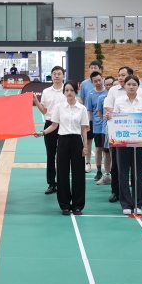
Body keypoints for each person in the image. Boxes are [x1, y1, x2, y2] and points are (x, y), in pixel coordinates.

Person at [35, 80, 89, 215]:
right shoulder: (59, 107)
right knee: (62, 174)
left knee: (78, 174)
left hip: (77, 142)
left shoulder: (82, 108)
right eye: (67, 90)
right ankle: (65, 205)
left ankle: (77, 205)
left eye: (71, 90)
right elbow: (54, 125)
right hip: (63, 141)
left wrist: (85, 147)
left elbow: (83, 129)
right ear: (64, 92)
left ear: (76, 92)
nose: (69, 93)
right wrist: (42, 132)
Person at [104, 75, 142, 216]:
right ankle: (126, 203)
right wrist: (110, 118)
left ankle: (138, 203)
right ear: (124, 86)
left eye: (134, 84)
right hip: (122, 142)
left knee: (138, 173)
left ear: (138, 87)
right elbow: (114, 119)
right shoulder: (119, 101)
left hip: (140, 142)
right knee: (123, 173)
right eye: (129, 84)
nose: (131, 86)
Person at [34, 65, 67, 195]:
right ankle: (51, 183)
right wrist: (36, 102)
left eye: (59, 74)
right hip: (50, 125)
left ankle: (62, 183)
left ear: (63, 76)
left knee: (63, 155)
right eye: (54, 74)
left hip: (64, 125)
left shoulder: (67, 90)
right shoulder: (46, 91)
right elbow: (44, 111)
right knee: (50, 155)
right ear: (51, 76)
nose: (56, 76)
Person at [84, 72, 109, 184]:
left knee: (107, 151)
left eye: (99, 80)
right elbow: (89, 110)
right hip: (97, 126)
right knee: (98, 149)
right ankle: (99, 171)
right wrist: (87, 123)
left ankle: (108, 172)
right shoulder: (90, 94)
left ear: (102, 79)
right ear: (92, 82)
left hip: (108, 125)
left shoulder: (108, 92)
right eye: (95, 81)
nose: (98, 83)